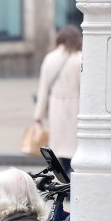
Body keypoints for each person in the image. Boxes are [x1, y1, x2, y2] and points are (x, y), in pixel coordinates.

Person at [33, 25, 82, 176]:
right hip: (76, 106)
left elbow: (43, 90)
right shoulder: (80, 57)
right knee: (75, 147)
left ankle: (65, 180)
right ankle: (73, 181)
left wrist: (38, 116)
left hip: (56, 107)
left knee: (61, 148)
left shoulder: (50, 58)